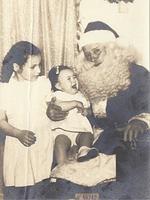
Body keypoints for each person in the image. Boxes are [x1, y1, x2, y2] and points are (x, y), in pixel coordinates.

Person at [47, 21, 150, 199]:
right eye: (87, 54)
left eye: (97, 51)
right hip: (96, 140)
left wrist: (139, 121)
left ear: (113, 50)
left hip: (129, 141)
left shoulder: (139, 73)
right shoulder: (84, 78)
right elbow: (73, 103)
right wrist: (53, 110)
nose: (92, 57)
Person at [0, 41, 53, 199]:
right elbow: (1, 120)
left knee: (40, 186)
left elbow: (51, 104)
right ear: (16, 67)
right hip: (18, 142)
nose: (38, 70)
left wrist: (54, 109)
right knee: (19, 185)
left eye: (39, 65)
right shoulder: (5, 89)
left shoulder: (43, 83)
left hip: (42, 141)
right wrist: (17, 133)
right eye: (32, 67)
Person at [48, 65, 98, 164]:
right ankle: (61, 164)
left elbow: (89, 110)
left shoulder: (81, 95)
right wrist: (75, 103)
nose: (73, 81)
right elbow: (58, 107)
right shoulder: (57, 95)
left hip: (80, 130)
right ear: (58, 86)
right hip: (63, 131)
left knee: (87, 135)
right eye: (68, 79)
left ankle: (83, 151)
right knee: (60, 142)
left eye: (74, 77)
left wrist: (86, 112)